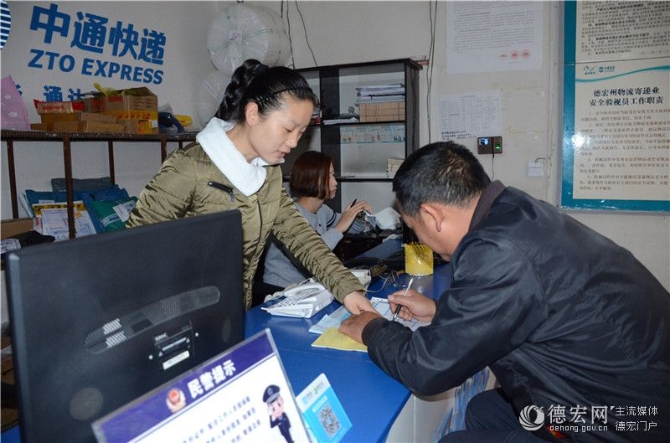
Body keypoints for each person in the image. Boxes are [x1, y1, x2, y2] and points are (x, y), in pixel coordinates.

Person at [339, 141, 670, 443]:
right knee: (482, 410)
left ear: (432, 215)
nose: (419, 239)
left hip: (626, 424)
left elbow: (427, 368)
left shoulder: (498, 252)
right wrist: (440, 311)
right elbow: (529, 304)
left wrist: (371, 327)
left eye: (414, 229)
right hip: (630, 391)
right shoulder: (516, 211)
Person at [126, 59, 373, 314]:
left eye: (301, 133)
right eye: (288, 129)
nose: (293, 142)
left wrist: (347, 289)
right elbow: (133, 250)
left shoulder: (268, 172)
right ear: (253, 113)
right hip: (181, 315)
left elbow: (299, 235)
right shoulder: (190, 166)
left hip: (234, 312)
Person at [263, 150, 372, 289]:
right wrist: (339, 228)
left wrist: (359, 214)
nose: (335, 182)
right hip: (282, 290)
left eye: (333, 175)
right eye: (329, 176)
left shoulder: (322, 210)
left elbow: (355, 228)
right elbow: (309, 258)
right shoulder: (291, 215)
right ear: (312, 179)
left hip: (310, 286)